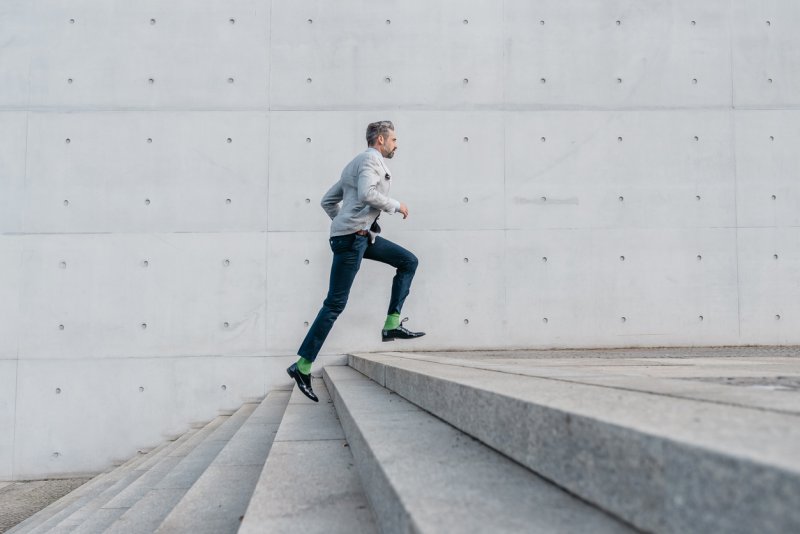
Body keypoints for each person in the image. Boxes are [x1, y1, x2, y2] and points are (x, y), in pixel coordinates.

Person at [287, 120, 425, 402]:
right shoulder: (370, 161)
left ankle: (391, 323)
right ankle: (302, 365)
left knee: (408, 261)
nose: (396, 145)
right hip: (352, 241)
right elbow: (367, 194)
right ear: (380, 141)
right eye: (394, 140)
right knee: (335, 303)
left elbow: (328, 201)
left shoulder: (355, 163)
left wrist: (350, 223)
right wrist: (397, 206)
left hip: (359, 237)